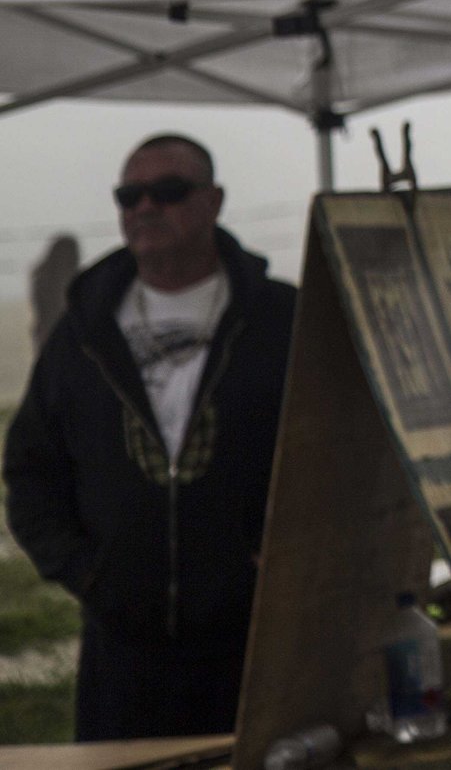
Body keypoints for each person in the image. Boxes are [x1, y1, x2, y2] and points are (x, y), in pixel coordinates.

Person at [4, 135, 297, 740]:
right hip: (122, 653)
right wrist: (86, 572)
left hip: (255, 640)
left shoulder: (282, 321)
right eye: (128, 195)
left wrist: (285, 557)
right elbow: (31, 471)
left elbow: (337, 452)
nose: (145, 207)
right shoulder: (81, 335)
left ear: (213, 201)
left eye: (168, 192)